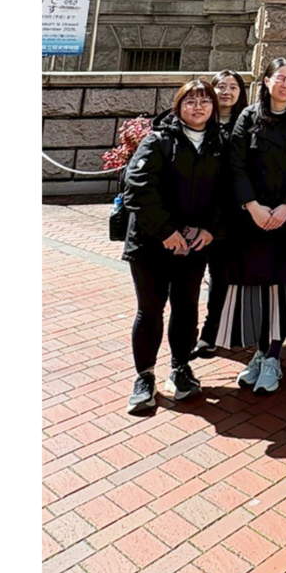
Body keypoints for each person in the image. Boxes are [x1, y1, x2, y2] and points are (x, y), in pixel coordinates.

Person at [119, 77, 227, 414]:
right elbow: (137, 188)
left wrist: (211, 229)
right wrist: (166, 232)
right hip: (151, 245)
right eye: (190, 101)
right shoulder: (158, 140)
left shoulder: (220, 144)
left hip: (193, 246)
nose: (198, 107)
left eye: (205, 100)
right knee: (150, 310)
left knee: (186, 307)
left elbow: (228, 193)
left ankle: (181, 367)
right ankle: (144, 376)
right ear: (178, 106)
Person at [218, 57, 286, 395]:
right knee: (256, 288)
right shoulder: (249, 117)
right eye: (280, 77)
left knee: (282, 288)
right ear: (266, 81)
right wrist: (252, 206)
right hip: (253, 219)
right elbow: (235, 164)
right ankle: (259, 353)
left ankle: (274, 356)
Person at [197, 69, 248, 358]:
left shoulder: (246, 123)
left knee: (221, 277)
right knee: (190, 278)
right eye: (220, 86)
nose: (226, 92)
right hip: (194, 213)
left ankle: (211, 330)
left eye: (233, 87)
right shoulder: (199, 121)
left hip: (229, 218)